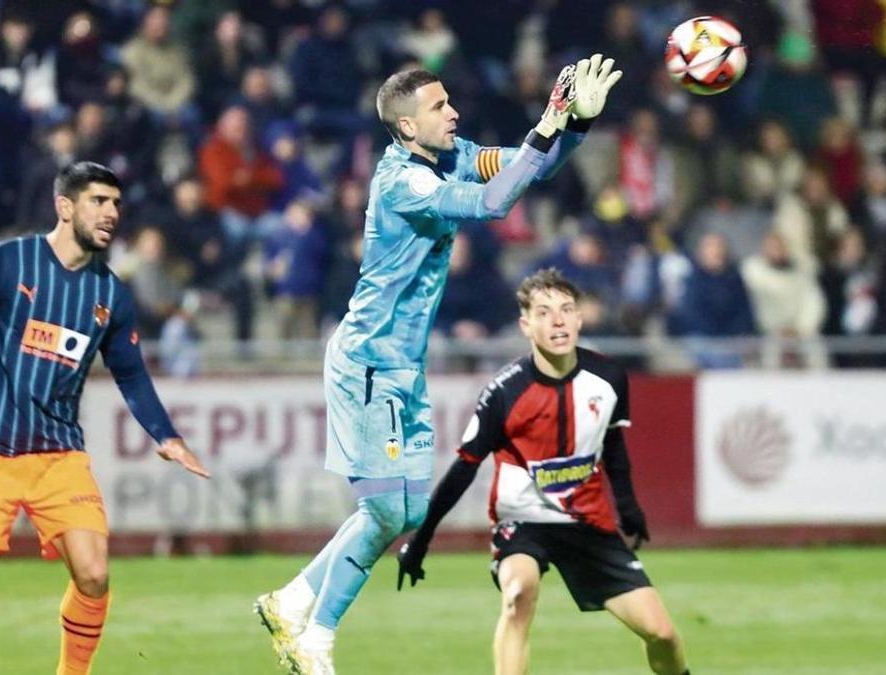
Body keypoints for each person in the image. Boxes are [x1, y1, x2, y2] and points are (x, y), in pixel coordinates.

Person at [255, 54, 623, 674]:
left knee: (407, 510)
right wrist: (546, 125)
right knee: (388, 511)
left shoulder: (447, 155)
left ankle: (290, 600)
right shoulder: (405, 182)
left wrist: (572, 125)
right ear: (405, 127)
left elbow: (520, 168)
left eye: (449, 101)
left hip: (403, 364)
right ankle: (314, 636)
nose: (453, 112)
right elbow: (493, 205)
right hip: (369, 360)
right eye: (438, 107)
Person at [0, 162, 210, 675]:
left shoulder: (110, 295)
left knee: (95, 575)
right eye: (99, 201)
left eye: (116, 203)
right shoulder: (4, 263)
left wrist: (167, 435)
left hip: (59, 457)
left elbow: (132, 375)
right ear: (65, 206)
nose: (112, 213)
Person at [396, 269, 690, 675]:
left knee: (663, 635)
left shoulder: (609, 378)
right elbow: (464, 469)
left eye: (567, 310)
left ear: (580, 319)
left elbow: (614, 447)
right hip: (523, 521)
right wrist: (421, 539)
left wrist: (628, 507)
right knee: (519, 595)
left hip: (587, 523)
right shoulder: (503, 392)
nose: (558, 321)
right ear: (526, 325)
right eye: (545, 312)